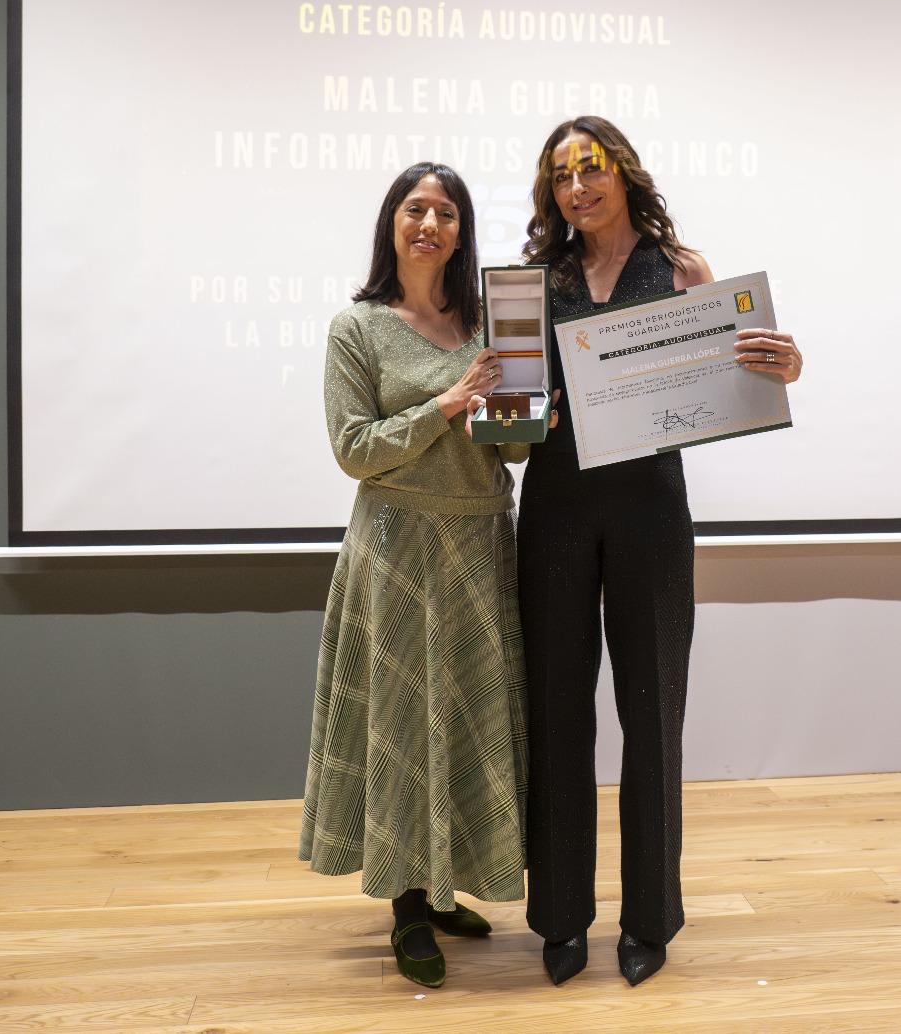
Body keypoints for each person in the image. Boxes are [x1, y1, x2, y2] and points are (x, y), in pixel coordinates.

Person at [517, 116, 803, 987]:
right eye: (562, 175)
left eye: (591, 168)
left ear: (624, 173)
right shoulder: (533, 284)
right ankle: (560, 917)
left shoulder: (683, 272)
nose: (578, 187)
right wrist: (513, 410)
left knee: (653, 714)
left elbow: (734, 384)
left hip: (650, 511)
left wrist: (779, 369)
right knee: (557, 716)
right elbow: (508, 424)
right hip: (556, 510)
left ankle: (650, 919)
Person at [298, 162, 531, 990]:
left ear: (462, 233)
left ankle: (441, 888)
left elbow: (512, 449)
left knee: (464, 718)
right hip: (396, 549)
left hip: (479, 545)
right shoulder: (356, 328)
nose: (430, 224)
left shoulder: (492, 325)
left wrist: (515, 410)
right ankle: (405, 907)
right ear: (392, 224)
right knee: (402, 722)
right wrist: (448, 403)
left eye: (446, 213)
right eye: (415, 209)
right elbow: (353, 449)